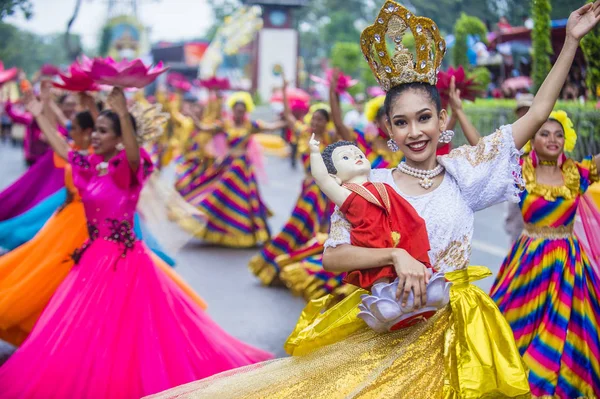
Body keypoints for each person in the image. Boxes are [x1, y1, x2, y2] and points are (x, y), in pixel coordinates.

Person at [147, 1, 600, 397]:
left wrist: (571, 44)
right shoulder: (370, 186)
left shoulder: (464, 170)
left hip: (464, 330)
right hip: (393, 332)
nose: (415, 131)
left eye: (424, 117)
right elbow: (334, 257)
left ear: (443, 119)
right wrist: (395, 254)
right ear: (388, 130)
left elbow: (539, 110)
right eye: (401, 123)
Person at [0, 87, 273, 398]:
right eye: (96, 131)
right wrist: (38, 114)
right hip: (91, 260)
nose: (95, 137)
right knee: (90, 334)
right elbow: (64, 149)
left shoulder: (127, 170)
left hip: (124, 264)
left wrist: (123, 116)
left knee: (130, 336)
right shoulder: (92, 166)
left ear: (119, 137)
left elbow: (131, 153)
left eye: (103, 131)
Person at [490, 109, 600, 398]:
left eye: (559, 134)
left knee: (571, 327)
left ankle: (566, 385)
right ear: (532, 139)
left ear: (567, 139)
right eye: (544, 133)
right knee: (517, 326)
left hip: (569, 265)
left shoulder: (577, 173)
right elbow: (483, 154)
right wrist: (460, 112)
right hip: (529, 263)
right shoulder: (520, 170)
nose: (553, 139)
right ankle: (522, 380)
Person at [309, 138, 431, 290]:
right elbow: (322, 179)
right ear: (335, 178)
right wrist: (314, 152)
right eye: (345, 157)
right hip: (372, 239)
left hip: (394, 234)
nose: (355, 157)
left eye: (359, 155)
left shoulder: (382, 185)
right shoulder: (347, 194)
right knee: (383, 283)